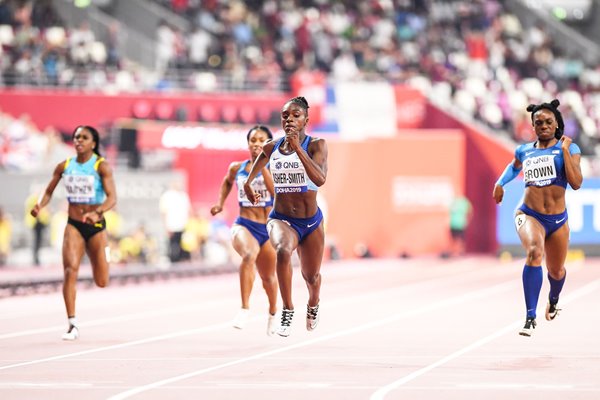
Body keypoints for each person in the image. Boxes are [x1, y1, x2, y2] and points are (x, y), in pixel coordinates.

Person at [493, 99, 582, 337]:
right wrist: (500, 183)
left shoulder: (569, 149)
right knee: (534, 251)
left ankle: (553, 299)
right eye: (538, 122)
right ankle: (530, 316)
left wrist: (564, 150)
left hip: (558, 220)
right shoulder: (524, 150)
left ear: (556, 124)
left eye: (548, 122)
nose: (543, 126)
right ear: (533, 126)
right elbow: (513, 166)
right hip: (529, 214)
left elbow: (576, 183)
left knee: (557, 271)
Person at [243, 96, 328, 337]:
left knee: (311, 276)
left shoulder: (316, 145)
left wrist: (298, 148)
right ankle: (288, 308)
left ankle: (313, 303)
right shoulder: (272, 147)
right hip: (281, 218)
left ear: (306, 120)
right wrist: (249, 183)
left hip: (310, 222)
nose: (289, 119)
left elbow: (320, 179)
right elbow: (258, 163)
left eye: (295, 115)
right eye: (285, 116)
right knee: (282, 250)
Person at [30, 125, 117, 340]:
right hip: (74, 224)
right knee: (70, 270)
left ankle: (104, 261)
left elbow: (112, 198)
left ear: (93, 143)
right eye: (77, 137)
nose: (79, 141)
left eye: (84, 138)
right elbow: (48, 191)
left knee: (102, 280)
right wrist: (40, 205)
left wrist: (98, 212)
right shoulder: (65, 166)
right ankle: (72, 323)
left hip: (96, 226)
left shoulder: (101, 166)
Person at [210, 125, 279, 336]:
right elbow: (227, 182)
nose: (256, 143)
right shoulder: (237, 168)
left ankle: (273, 313)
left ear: (269, 144)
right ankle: (244, 308)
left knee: (268, 278)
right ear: (248, 143)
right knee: (249, 255)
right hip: (244, 224)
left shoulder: (275, 168)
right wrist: (220, 203)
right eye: (253, 140)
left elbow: (274, 193)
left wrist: (263, 164)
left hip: (266, 228)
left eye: (261, 140)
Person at [159, 181, 191, 263]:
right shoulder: (167, 196)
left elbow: (188, 210)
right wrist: (166, 226)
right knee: (173, 246)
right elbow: (164, 212)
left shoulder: (183, 195)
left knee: (184, 247)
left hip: (183, 225)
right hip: (172, 225)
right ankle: (173, 263)